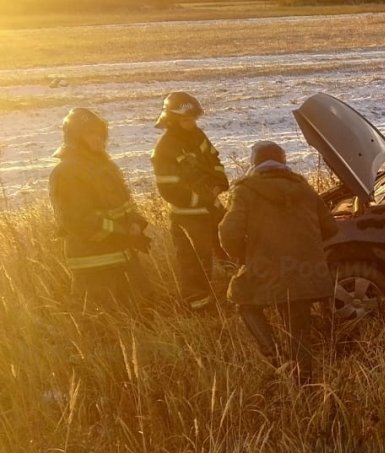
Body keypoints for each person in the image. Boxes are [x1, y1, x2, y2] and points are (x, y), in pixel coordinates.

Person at [219, 141, 339, 384]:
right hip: (306, 270)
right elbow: (330, 227)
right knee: (298, 329)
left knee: (243, 300)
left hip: (264, 268)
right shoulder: (303, 187)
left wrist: (243, 257)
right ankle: (305, 383)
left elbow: (228, 233)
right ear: (283, 162)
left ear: (254, 164)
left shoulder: (245, 190)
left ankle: (277, 359)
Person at [49, 108, 151, 309]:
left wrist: (136, 223)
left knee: (143, 312)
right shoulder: (66, 172)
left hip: (123, 255)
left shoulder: (106, 167)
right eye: (89, 134)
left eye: (100, 134)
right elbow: (77, 220)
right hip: (94, 264)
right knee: (104, 323)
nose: (98, 139)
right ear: (75, 138)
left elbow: (127, 205)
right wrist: (124, 233)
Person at [150, 92, 229, 310]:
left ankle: (237, 295)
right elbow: (168, 189)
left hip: (212, 208)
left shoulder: (197, 135)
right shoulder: (164, 148)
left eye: (194, 118)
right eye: (186, 119)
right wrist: (200, 200)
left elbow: (214, 159)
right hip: (188, 217)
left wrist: (219, 182)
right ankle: (199, 307)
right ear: (172, 120)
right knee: (194, 262)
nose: (191, 123)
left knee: (230, 248)